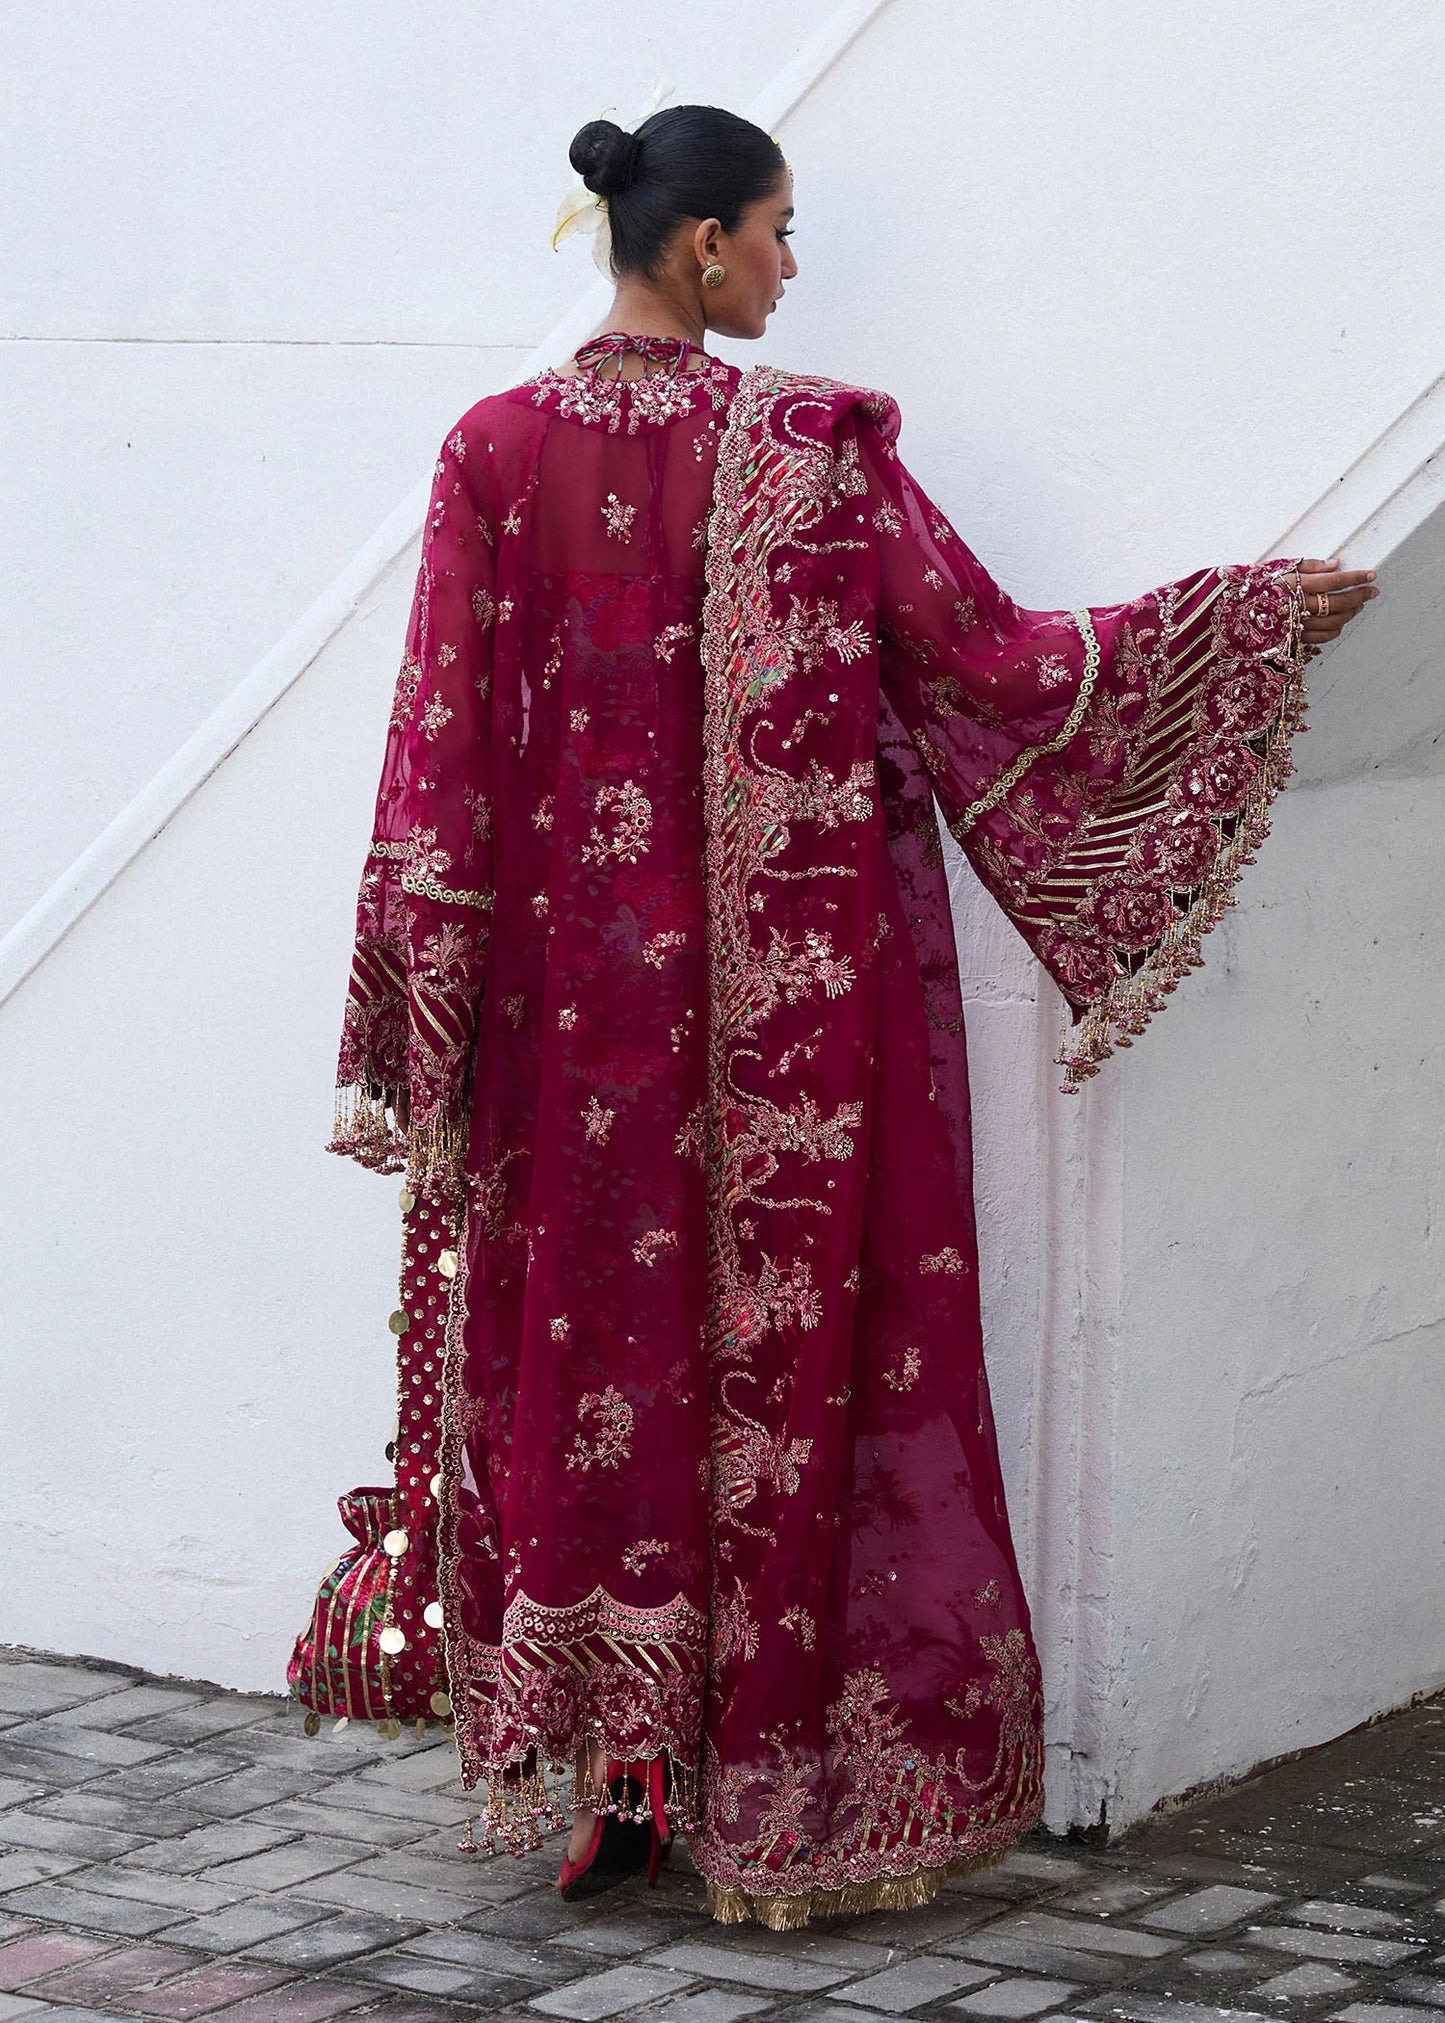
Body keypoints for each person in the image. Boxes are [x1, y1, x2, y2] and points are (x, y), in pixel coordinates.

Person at [308, 103, 1378, 1928]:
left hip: (568, 1032)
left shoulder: (492, 451)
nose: (794, 269)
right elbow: (988, 662)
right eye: (782, 233)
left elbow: (434, 760)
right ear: (704, 243)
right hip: (791, 1038)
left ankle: (622, 1787)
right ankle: (776, 1800)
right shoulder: (810, 447)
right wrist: (1240, 621)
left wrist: (428, 1027)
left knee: (602, 1375)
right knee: (784, 1378)